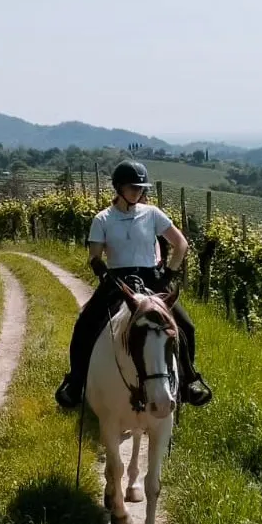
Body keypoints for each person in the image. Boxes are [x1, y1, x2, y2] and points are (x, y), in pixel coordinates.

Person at [54, 159, 213, 410]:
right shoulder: (103, 219)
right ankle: (76, 382)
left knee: (185, 326)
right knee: (85, 324)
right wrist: (99, 267)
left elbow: (180, 243)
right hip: (117, 279)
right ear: (118, 187)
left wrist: (168, 275)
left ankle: (189, 382)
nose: (137, 192)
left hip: (152, 277)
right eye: (132, 187)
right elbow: (94, 254)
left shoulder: (152, 214)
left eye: (141, 188)